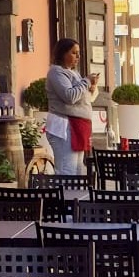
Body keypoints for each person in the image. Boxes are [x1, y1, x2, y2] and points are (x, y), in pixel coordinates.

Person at [45, 38, 100, 175]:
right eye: (74, 53)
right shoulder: (56, 72)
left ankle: (73, 197)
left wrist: (91, 87)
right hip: (65, 127)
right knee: (66, 171)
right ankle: (65, 196)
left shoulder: (74, 73)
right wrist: (86, 81)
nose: (78, 56)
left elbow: (85, 98)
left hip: (79, 125)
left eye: (78, 53)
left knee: (77, 171)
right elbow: (70, 96)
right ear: (63, 53)